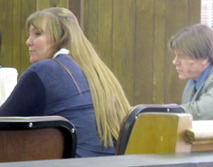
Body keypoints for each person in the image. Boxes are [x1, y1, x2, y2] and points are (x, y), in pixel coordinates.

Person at [0, 7, 131, 157]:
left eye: (37, 34)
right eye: (29, 35)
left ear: (61, 37)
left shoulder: (44, 71)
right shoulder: (100, 73)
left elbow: (3, 123)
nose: (28, 42)